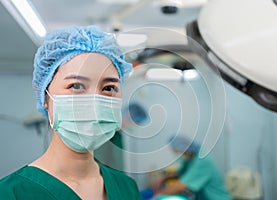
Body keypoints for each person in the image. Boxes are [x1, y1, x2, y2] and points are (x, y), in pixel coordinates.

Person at [0, 26, 142, 200]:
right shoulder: (12, 193)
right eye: (76, 86)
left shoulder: (127, 188)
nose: (94, 102)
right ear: (46, 98)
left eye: (108, 88)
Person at [150, 135, 232, 200]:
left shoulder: (202, 161)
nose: (179, 155)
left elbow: (181, 185)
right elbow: (180, 173)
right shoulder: (191, 158)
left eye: (178, 152)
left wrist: (157, 195)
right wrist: (163, 178)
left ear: (185, 149)